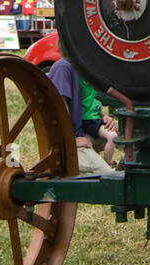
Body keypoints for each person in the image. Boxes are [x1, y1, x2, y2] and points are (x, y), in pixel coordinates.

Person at [48, 41, 116, 173]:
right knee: (112, 179)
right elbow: (58, 109)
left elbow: (83, 104)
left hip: (84, 131)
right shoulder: (63, 67)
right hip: (68, 143)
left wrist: (103, 117)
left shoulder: (80, 69)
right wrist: (72, 140)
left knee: (128, 134)